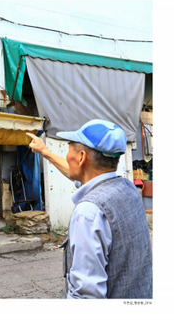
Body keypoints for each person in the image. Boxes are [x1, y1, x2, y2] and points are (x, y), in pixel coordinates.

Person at [26, 119, 152, 299]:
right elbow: (77, 175)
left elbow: (87, 296)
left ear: (82, 157)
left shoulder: (88, 213)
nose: (67, 154)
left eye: (70, 147)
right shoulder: (128, 188)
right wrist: (45, 152)